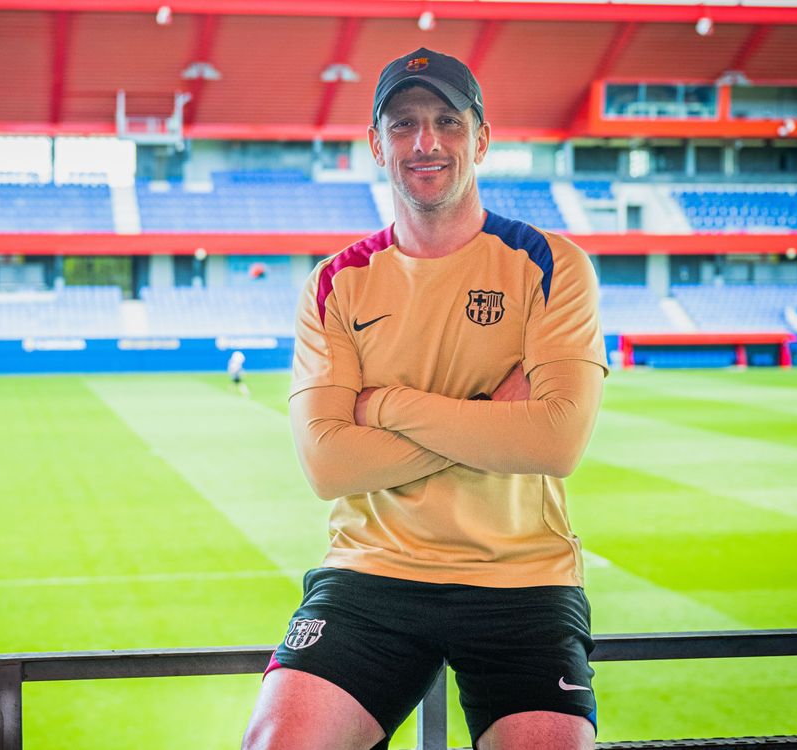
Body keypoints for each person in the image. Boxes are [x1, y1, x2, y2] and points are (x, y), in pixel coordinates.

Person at [241, 47, 607, 750]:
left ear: (482, 139)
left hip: (522, 577)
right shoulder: (336, 281)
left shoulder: (551, 265)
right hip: (371, 573)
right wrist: (495, 418)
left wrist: (382, 406)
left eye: (448, 121)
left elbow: (556, 443)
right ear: (377, 144)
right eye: (404, 124)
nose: (426, 142)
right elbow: (329, 466)